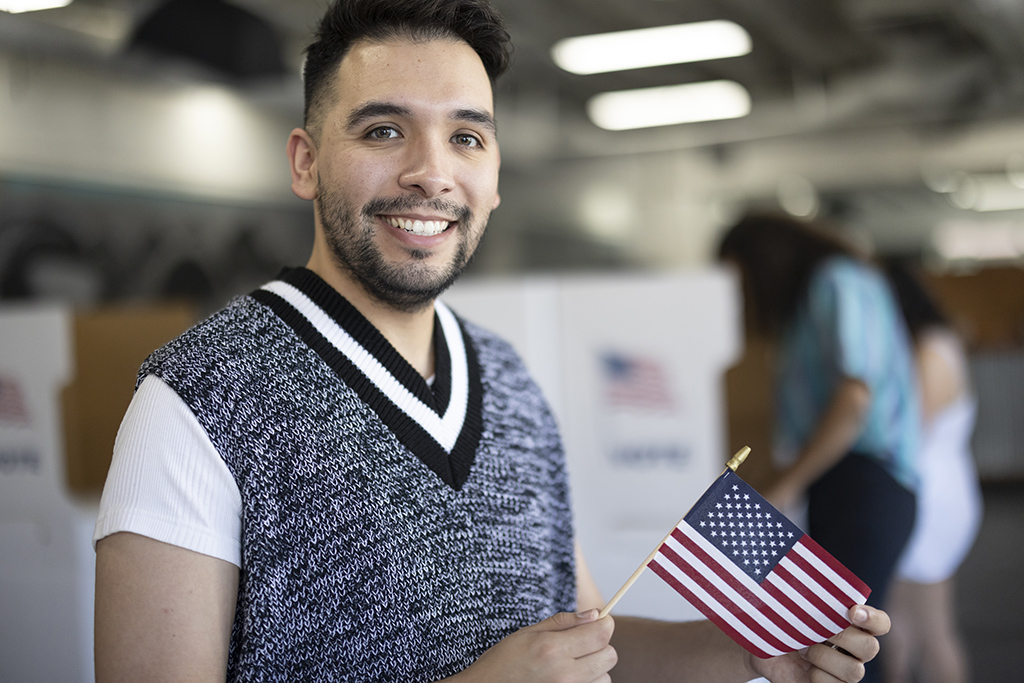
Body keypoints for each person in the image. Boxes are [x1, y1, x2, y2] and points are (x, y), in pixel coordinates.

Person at [92, 3, 890, 681]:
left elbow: (579, 640)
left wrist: (746, 651)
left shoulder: (507, 378)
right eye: (382, 131)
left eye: (466, 137)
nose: (430, 173)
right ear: (306, 162)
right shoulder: (197, 400)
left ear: (496, 174)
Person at [717, 212, 919, 683]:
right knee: (844, 636)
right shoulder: (808, 302)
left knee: (850, 642)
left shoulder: (837, 280)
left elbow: (854, 399)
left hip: (866, 480)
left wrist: (785, 484)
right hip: (843, 482)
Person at [881, 261, 982, 683]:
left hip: (929, 501)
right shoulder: (929, 344)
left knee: (932, 629)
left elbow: (905, 431)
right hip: (924, 491)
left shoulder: (930, 350)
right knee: (897, 623)